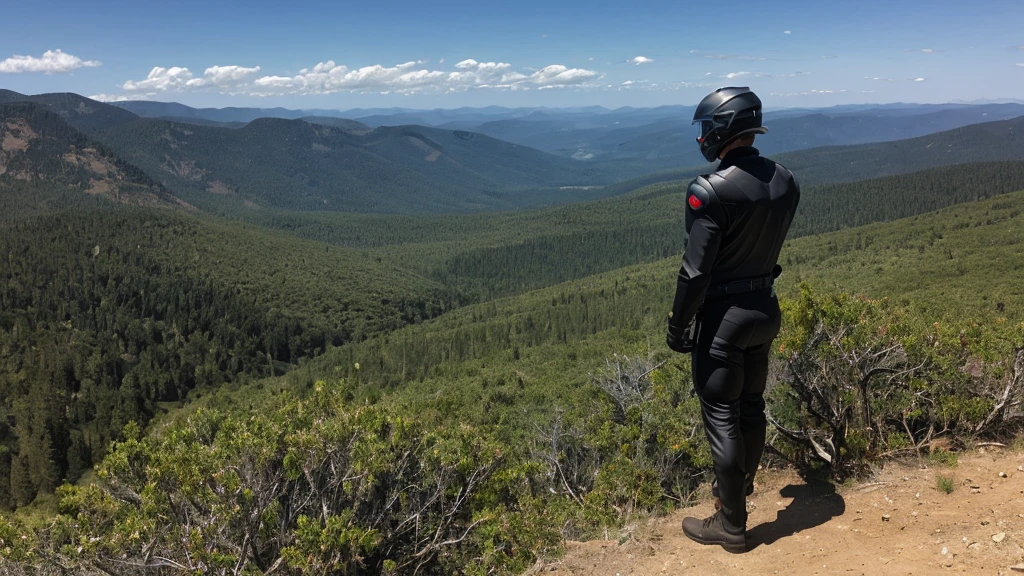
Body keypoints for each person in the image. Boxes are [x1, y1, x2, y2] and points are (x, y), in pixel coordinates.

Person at [665, 86, 800, 553]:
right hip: (766, 309)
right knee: (751, 409)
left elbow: (695, 271)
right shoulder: (785, 179)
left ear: (723, 128)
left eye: (707, 127)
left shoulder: (709, 191)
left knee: (721, 415)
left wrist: (678, 325)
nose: (704, 135)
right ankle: (737, 493)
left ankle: (731, 524)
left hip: (724, 319)